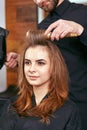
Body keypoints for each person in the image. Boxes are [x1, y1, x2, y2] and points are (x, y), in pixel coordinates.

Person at [5, 0, 87, 129]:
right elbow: (49, 60)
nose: (39, 1)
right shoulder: (43, 25)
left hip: (82, 102)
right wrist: (22, 60)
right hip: (54, 105)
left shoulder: (83, 14)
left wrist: (81, 30)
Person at [0, 30, 81, 130]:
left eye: (40, 63)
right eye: (27, 62)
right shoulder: (12, 104)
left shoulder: (69, 110)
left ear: (54, 67)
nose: (31, 69)